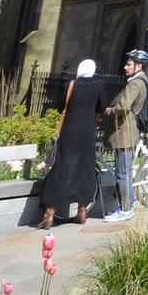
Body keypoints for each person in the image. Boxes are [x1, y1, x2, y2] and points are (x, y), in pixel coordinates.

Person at [38, 58, 107, 228]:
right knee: (85, 169)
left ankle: (50, 214)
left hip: (69, 131)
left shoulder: (70, 85)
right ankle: (82, 211)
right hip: (87, 134)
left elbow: (59, 105)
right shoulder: (98, 85)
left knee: (62, 168)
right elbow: (103, 106)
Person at [105, 48, 148, 222]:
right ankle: (127, 206)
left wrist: (108, 111)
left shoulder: (135, 83)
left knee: (123, 173)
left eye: (129, 64)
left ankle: (125, 209)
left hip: (126, 132)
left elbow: (124, 106)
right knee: (123, 171)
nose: (125, 67)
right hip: (126, 131)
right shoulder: (138, 81)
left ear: (139, 66)